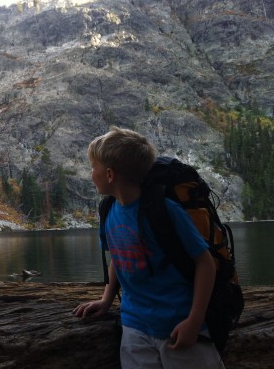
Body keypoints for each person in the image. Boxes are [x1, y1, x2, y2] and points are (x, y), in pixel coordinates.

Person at [73, 126, 224, 368]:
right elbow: (118, 258)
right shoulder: (109, 210)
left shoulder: (165, 210)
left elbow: (205, 263)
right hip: (134, 326)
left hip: (178, 323)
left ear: (110, 174)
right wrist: (106, 300)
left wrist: (194, 322)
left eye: (93, 168)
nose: (91, 174)